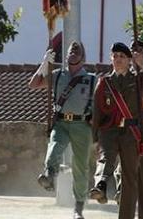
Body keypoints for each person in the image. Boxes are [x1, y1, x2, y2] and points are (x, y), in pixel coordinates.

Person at [90, 42, 143, 219]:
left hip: (131, 133)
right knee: (105, 157)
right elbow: (96, 110)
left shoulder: (138, 80)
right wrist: (94, 137)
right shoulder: (105, 82)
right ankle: (100, 184)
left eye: (122, 56)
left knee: (129, 178)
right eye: (115, 56)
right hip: (109, 130)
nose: (118, 59)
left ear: (130, 60)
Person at [29, 41, 95, 219]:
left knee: (80, 167)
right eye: (71, 50)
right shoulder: (57, 75)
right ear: (65, 56)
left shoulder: (91, 79)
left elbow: (99, 105)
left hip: (82, 125)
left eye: (77, 50)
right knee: (54, 148)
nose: (73, 52)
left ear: (83, 56)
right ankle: (49, 176)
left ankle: (79, 207)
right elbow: (34, 84)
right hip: (61, 123)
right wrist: (43, 65)